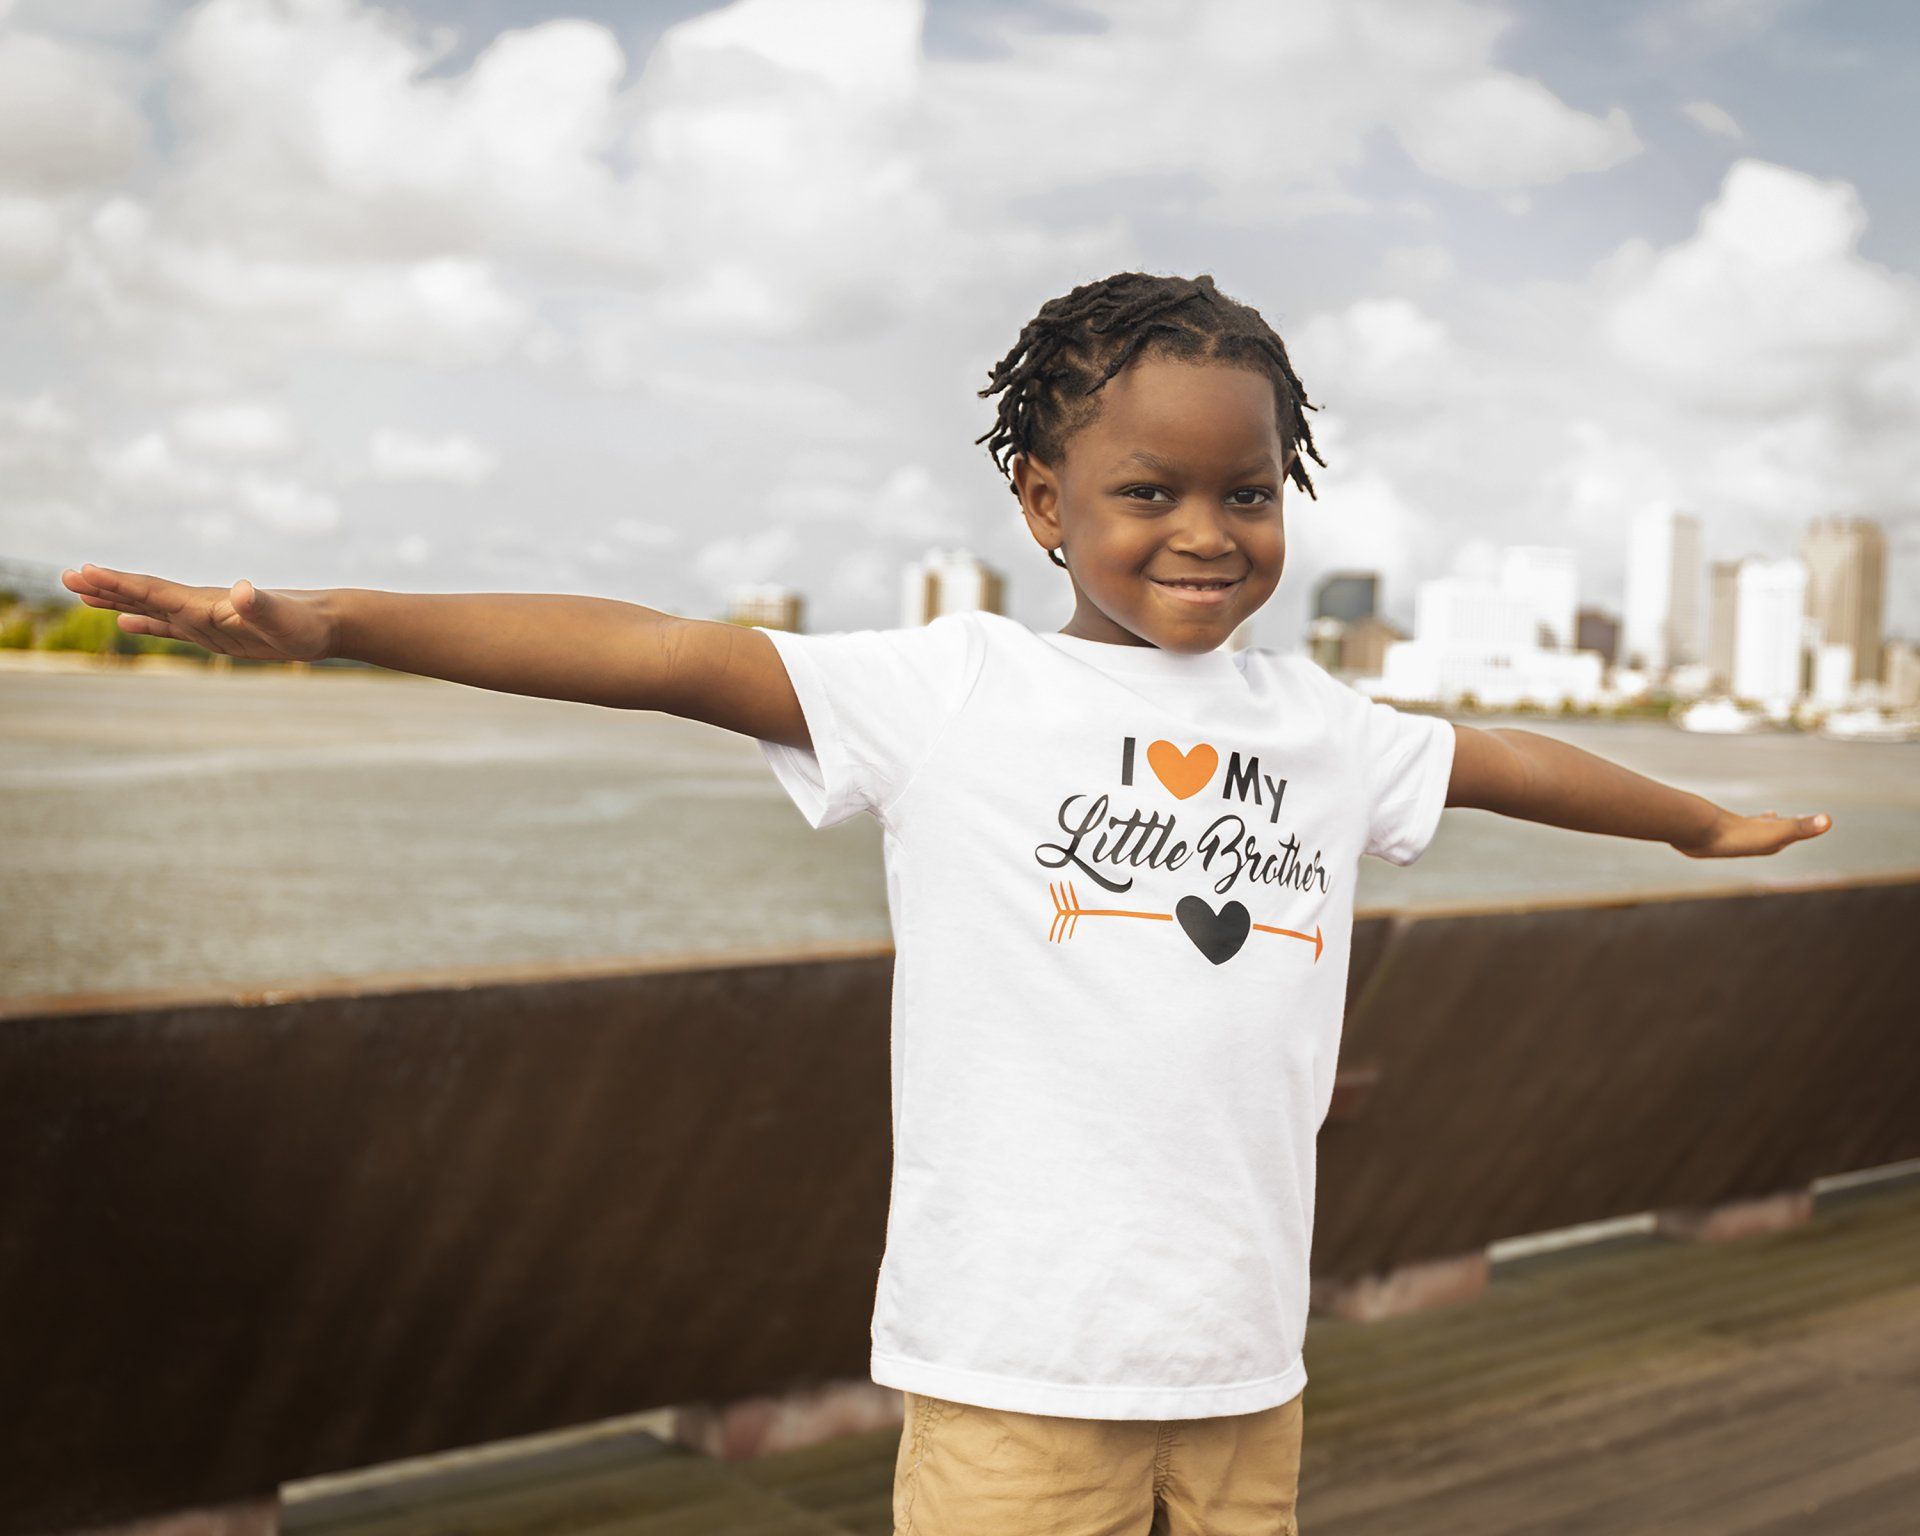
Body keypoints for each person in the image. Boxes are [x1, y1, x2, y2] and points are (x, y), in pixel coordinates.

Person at [61, 270, 1830, 1536]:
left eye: (1248, 489)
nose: (1207, 529)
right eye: (1149, 490)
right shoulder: (952, 689)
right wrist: (330, 621)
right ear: (1043, 501)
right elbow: (660, 654)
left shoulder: (1325, 728)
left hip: (1240, 1365)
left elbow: (1516, 760)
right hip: (1015, 1362)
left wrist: (1693, 827)